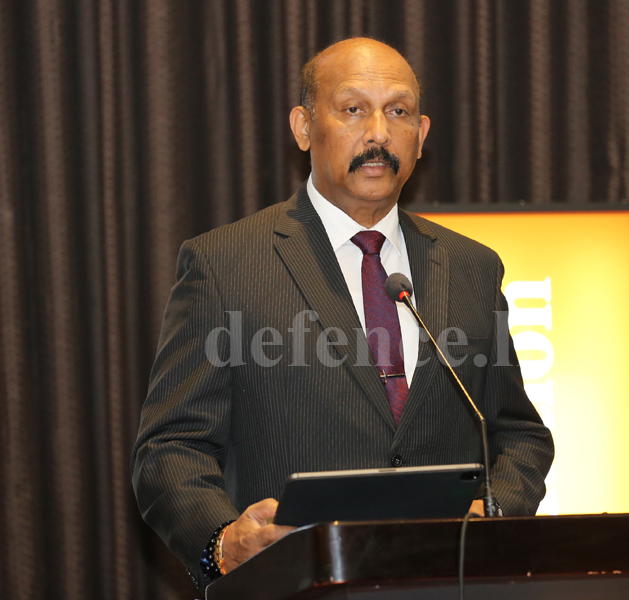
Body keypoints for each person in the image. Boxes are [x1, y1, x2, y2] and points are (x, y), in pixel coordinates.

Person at [131, 37, 554, 592]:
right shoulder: (225, 265)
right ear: (304, 127)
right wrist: (222, 541)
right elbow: (170, 447)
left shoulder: (471, 268)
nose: (378, 132)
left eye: (397, 112)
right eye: (353, 109)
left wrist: (495, 516)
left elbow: (517, 434)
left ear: (421, 136)